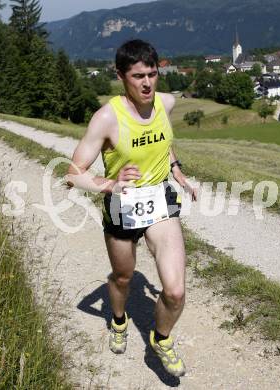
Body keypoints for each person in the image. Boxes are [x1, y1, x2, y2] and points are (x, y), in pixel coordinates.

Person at [66, 39, 197, 377]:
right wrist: (110, 183)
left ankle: (161, 339)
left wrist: (176, 168)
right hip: (121, 207)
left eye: (152, 74)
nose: (147, 83)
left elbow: (163, 140)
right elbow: (73, 174)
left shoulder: (165, 103)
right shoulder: (107, 118)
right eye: (138, 75)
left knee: (175, 290)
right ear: (121, 76)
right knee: (124, 278)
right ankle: (120, 320)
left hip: (159, 202)